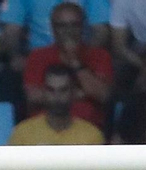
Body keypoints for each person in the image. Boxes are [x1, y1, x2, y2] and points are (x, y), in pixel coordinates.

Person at [24, 3, 113, 131]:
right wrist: (82, 93)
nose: (68, 31)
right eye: (62, 26)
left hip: (89, 131)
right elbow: (33, 97)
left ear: (83, 26)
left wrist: (75, 62)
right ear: (53, 28)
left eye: (74, 25)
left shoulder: (100, 55)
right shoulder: (37, 56)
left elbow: (103, 95)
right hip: (44, 132)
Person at [8, 64, 104, 145]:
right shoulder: (23, 134)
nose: (57, 96)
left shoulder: (91, 136)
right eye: (51, 90)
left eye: (63, 90)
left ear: (73, 92)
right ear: (44, 92)